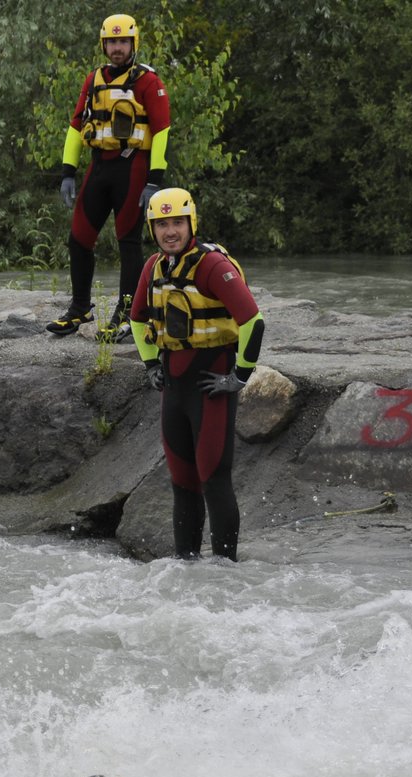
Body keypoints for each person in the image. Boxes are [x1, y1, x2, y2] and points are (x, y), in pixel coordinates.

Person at [129, 187, 264, 561]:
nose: (170, 232)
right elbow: (138, 319)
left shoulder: (212, 266)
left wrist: (240, 375)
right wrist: (151, 364)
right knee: (183, 484)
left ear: (191, 224)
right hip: (173, 386)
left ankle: (224, 571)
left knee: (214, 480)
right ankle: (185, 570)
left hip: (212, 384)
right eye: (161, 224)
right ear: (152, 228)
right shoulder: (153, 267)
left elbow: (253, 320)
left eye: (176, 223)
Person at [47, 13, 170, 339]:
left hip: (132, 168)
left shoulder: (148, 81)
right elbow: (76, 126)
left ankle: (129, 314)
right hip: (99, 167)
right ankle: (80, 309)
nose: (117, 48)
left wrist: (154, 180)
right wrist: (68, 173)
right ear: (105, 45)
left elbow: (161, 131)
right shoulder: (94, 79)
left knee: (128, 241)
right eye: (112, 42)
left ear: (133, 44)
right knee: (79, 238)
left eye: (123, 42)